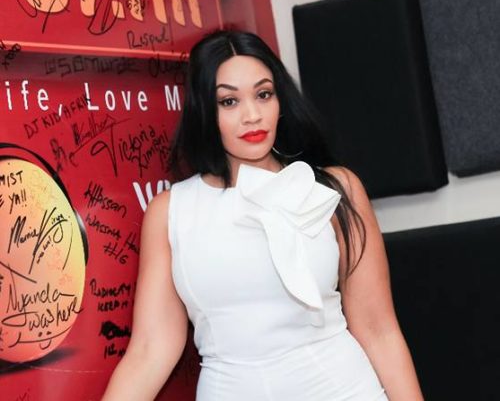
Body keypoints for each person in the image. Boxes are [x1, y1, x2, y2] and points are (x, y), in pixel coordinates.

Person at [102, 30, 423, 401]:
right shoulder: (171, 211)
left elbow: (379, 330)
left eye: (263, 94)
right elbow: (149, 351)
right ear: (205, 111)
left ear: (280, 100)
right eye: (229, 101)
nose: (252, 115)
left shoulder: (335, 189)